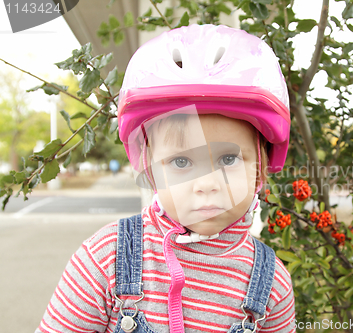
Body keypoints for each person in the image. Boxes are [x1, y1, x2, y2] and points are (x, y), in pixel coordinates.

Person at [36, 24, 295, 333]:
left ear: (261, 169)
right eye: (181, 161)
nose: (207, 184)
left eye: (228, 159)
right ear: (151, 169)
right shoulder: (106, 258)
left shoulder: (272, 284)